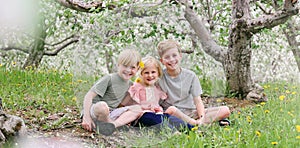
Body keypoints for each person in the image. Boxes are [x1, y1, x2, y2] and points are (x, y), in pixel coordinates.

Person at [157, 39, 231, 126]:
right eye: (167, 57)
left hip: (191, 112)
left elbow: (198, 101)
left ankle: (197, 123)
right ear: (161, 61)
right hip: (173, 113)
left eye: (174, 55)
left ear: (180, 56)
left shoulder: (191, 76)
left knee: (225, 110)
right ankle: (200, 124)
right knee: (172, 110)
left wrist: (201, 117)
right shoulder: (159, 77)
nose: (171, 60)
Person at [81, 49, 143, 136]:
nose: (128, 70)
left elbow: (125, 105)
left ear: (138, 69)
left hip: (111, 113)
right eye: (125, 66)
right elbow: (88, 96)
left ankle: (112, 125)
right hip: (96, 111)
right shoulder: (109, 79)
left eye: (132, 67)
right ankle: (106, 124)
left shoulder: (131, 85)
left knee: (138, 109)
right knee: (102, 106)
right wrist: (86, 117)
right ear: (118, 65)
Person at [128, 56, 201, 125]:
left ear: (158, 73)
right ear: (140, 74)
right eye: (146, 73)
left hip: (158, 114)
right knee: (159, 120)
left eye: (153, 72)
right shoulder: (136, 87)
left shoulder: (156, 88)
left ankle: (192, 124)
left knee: (171, 111)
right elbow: (130, 104)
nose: (150, 75)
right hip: (143, 116)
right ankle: (174, 132)